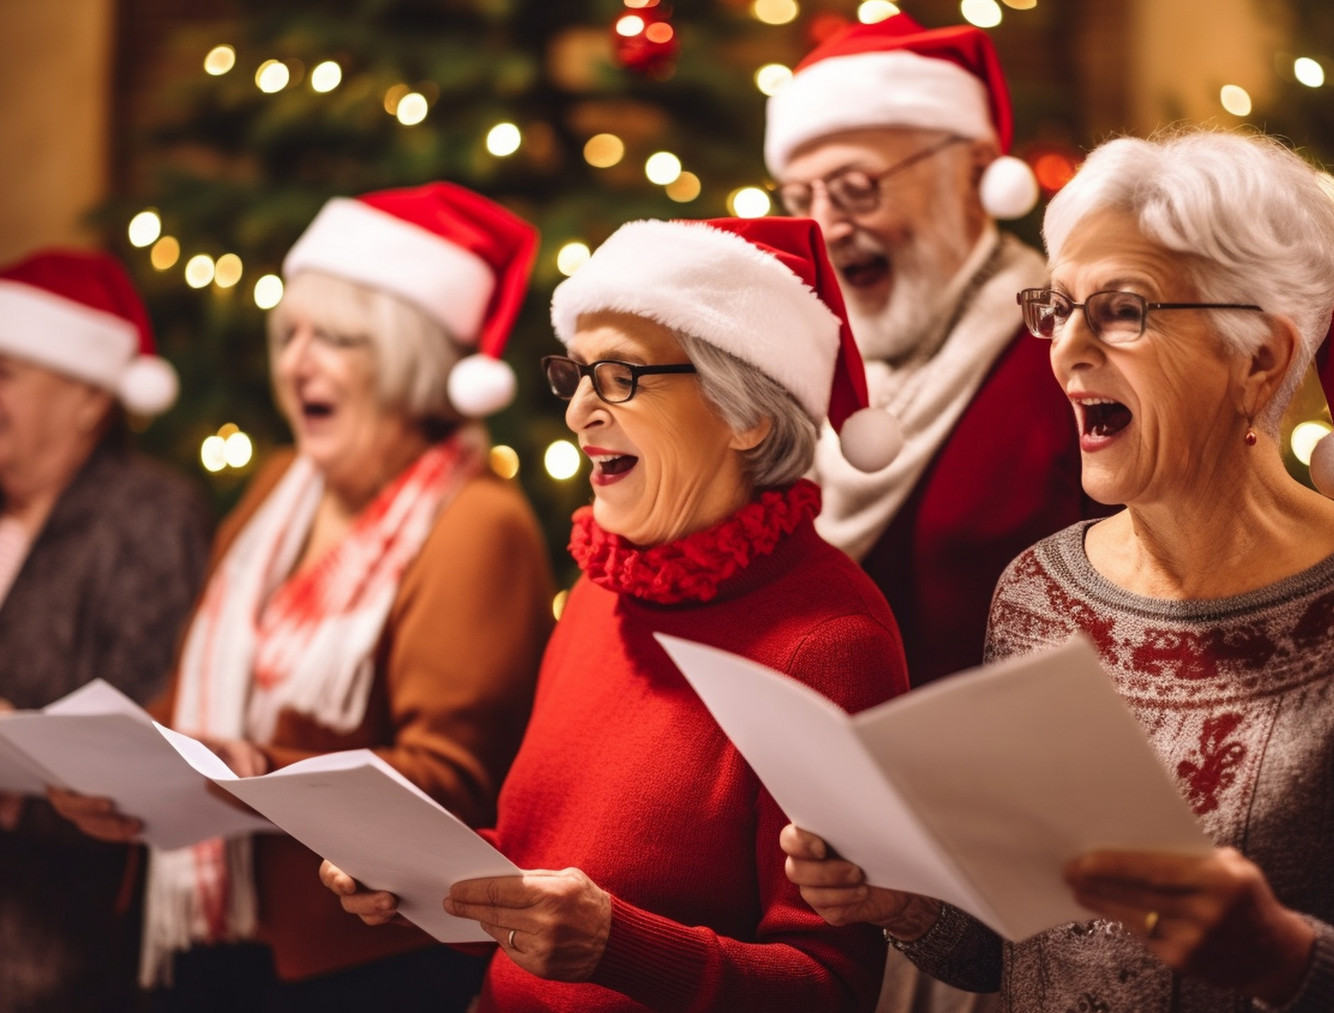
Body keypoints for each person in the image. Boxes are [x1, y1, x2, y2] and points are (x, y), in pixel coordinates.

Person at [780, 128, 1334, 1013]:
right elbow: (1020, 945)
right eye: (1058, 307)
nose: (1065, 350)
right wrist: (906, 900)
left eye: (1120, 310)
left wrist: (1283, 955)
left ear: (1259, 356)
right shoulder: (1040, 590)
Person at [319, 215, 912, 1011]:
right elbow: (549, 869)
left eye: (622, 377)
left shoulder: (831, 643)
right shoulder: (605, 584)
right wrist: (419, 874)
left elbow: (832, 987)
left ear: (748, 415)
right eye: (577, 375)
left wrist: (616, 946)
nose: (578, 416)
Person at [51, 183, 554, 1012]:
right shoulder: (282, 482)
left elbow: (455, 784)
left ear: (412, 358)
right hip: (208, 935)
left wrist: (254, 771)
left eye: (338, 339)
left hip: (360, 961)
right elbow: (195, 696)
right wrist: (116, 770)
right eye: (291, 334)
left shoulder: (478, 522)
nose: (296, 362)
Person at [764, 13, 1105, 691]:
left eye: (857, 187)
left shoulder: (1067, 358)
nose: (825, 227)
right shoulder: (796, 371)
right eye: (802, 199)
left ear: (972, 171)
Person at [0, 248, 210, 1012]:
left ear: (87, 396)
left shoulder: (145, 517)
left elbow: (151, 750)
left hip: (56, 956)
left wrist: (9, 750)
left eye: (3, 371)